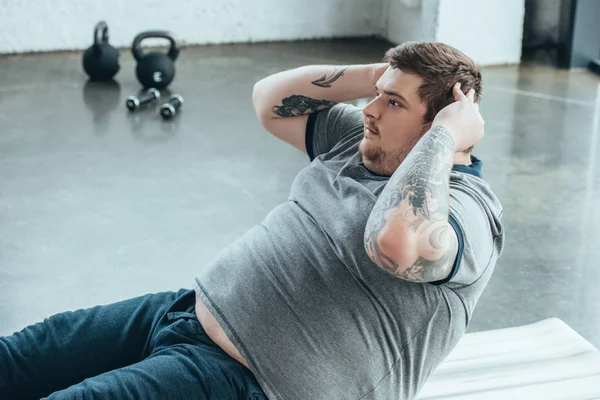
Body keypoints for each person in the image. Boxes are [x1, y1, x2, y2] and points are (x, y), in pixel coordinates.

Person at [0, 41, 504, 400]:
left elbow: (394, 242)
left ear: (445, 124)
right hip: (183, 312)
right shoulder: (361, 142)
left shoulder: (469, 211)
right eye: (379, 94)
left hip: (247, 380)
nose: (370, 110)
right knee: (15, 359)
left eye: (393, 103)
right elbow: (269, 100)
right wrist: (382, 74)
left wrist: (444, 134)